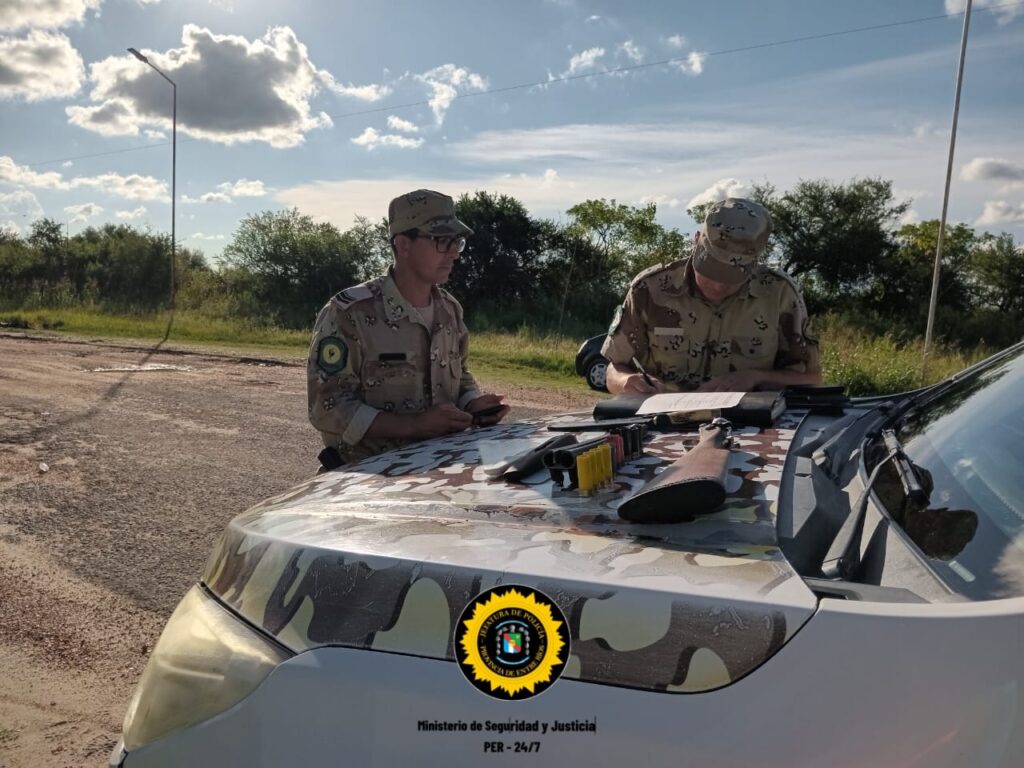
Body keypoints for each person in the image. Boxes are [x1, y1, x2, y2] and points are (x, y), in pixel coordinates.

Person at [307, 188, 509, 466]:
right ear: (403, 245)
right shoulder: (350, 313)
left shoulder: (450, 310)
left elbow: (460, 375)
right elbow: (326, 407)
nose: (454, 253)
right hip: (368, 479)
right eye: (441, 241)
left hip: (440, 473)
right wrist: (414, 425)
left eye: (457, 242)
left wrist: (472, 403)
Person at [602, 197, 822, 395]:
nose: (718, 286)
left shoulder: (779, 294)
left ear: (755, 260)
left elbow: (811, 378)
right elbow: (615, 368)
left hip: (750, 423)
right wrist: (625, 381)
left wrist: (756, 378)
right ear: (696, 240)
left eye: (731, 277)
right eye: (710, 270)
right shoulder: (649, 290)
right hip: (664, 420)